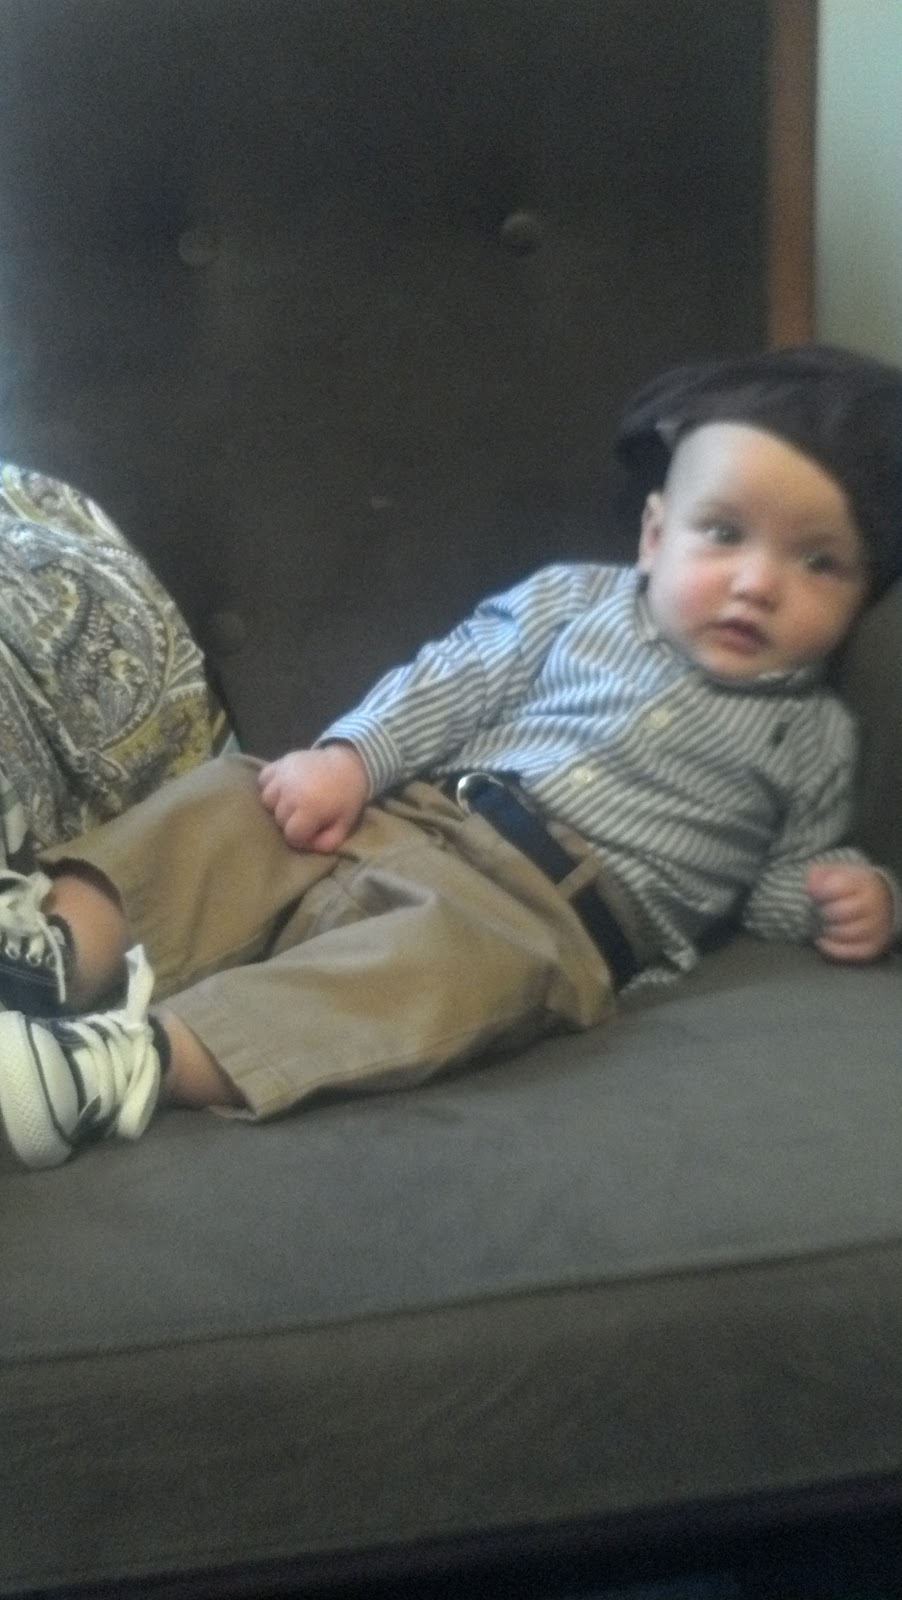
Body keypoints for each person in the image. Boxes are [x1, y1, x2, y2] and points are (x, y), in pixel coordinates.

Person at [1, 343, 901, 1170]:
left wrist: (848, 896)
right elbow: (457, 679)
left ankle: (118, 1069)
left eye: (818, 563)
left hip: (543, 923)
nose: (757, 583)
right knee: (238, 798)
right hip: (404, 812)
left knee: (443, 984)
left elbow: (780, 880)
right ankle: (56, 949)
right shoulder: (575, 601)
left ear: (863, 594)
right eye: (725, 534)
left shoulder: (816, 736)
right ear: (656, 536)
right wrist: (353, 760)